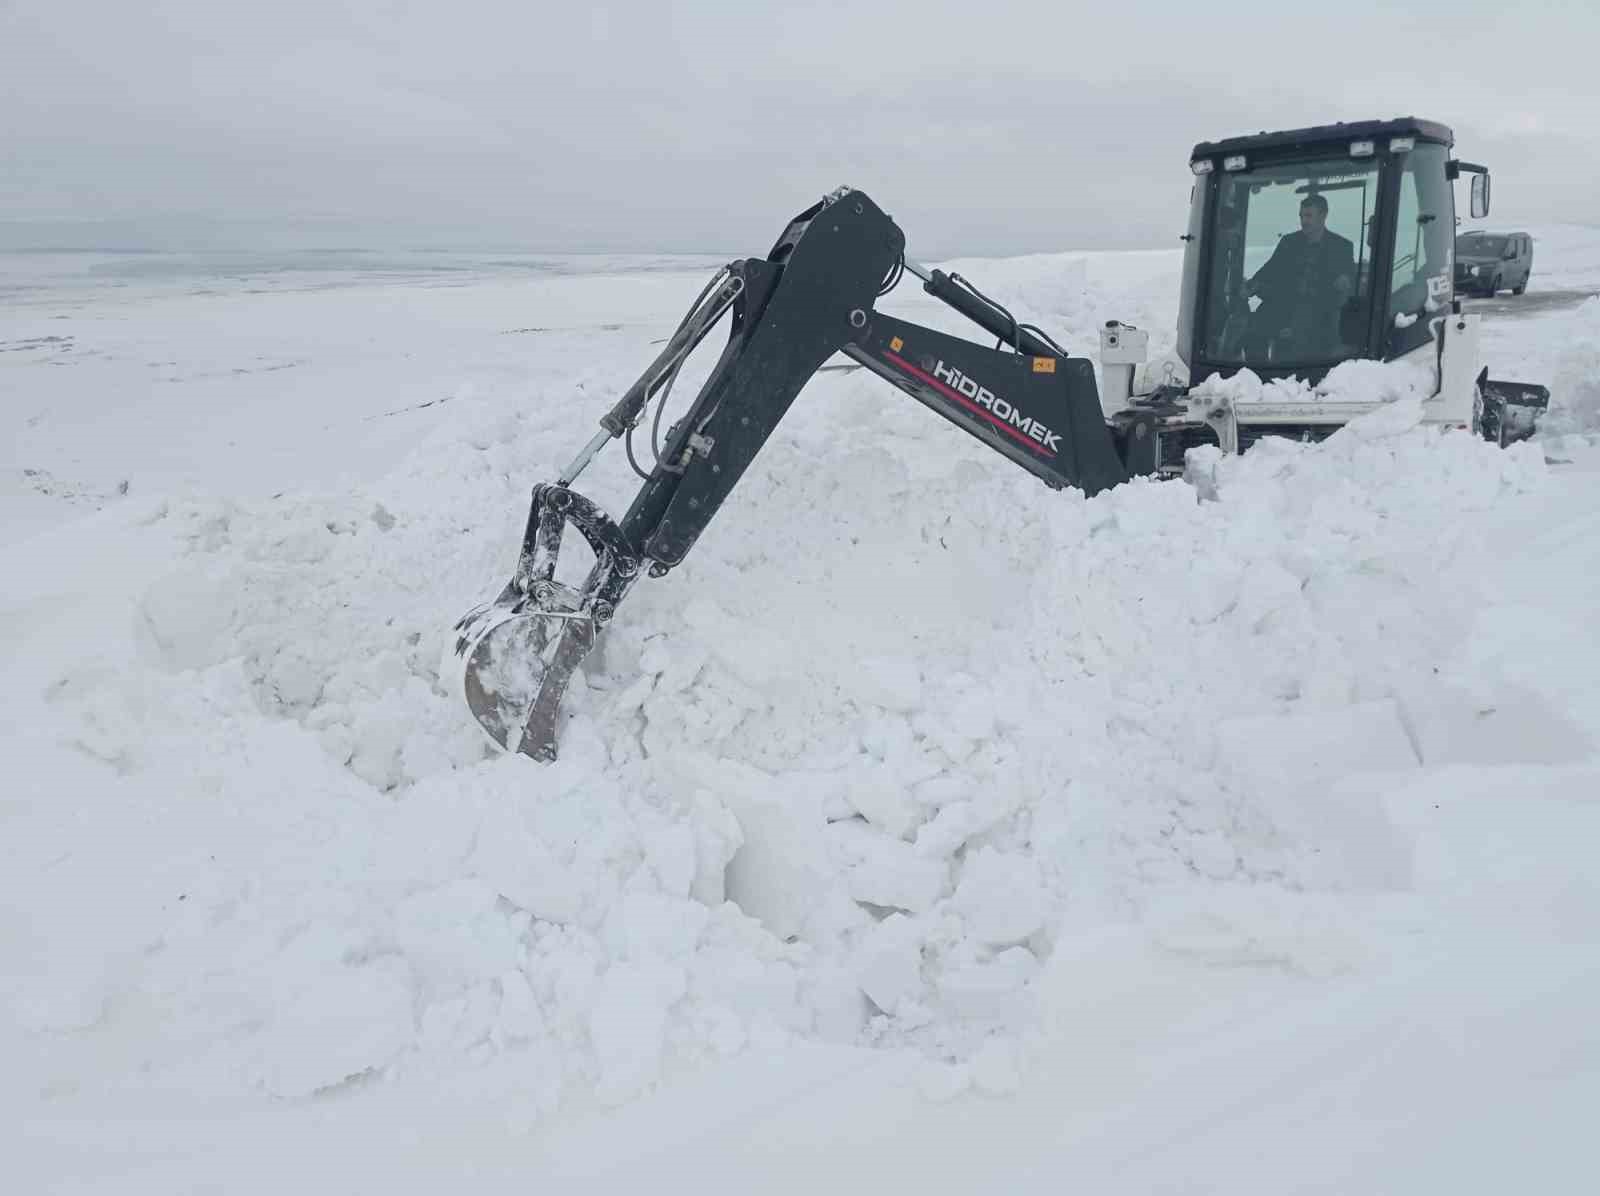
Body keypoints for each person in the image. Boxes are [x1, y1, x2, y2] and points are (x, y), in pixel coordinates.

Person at [1246, 194, 1356, 358]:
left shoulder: (1341, 246)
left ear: (1323, 215)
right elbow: (1270, 269)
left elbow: (1348, 278)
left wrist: (1345, 281)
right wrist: (1253, 284)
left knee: (1306, 330)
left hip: (1321, 311)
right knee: (1251, 329)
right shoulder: (1289, 242)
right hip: (1285, 306)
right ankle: (1255, 375)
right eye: (1301, 216)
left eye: (1309, 216)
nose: (1304, 221)